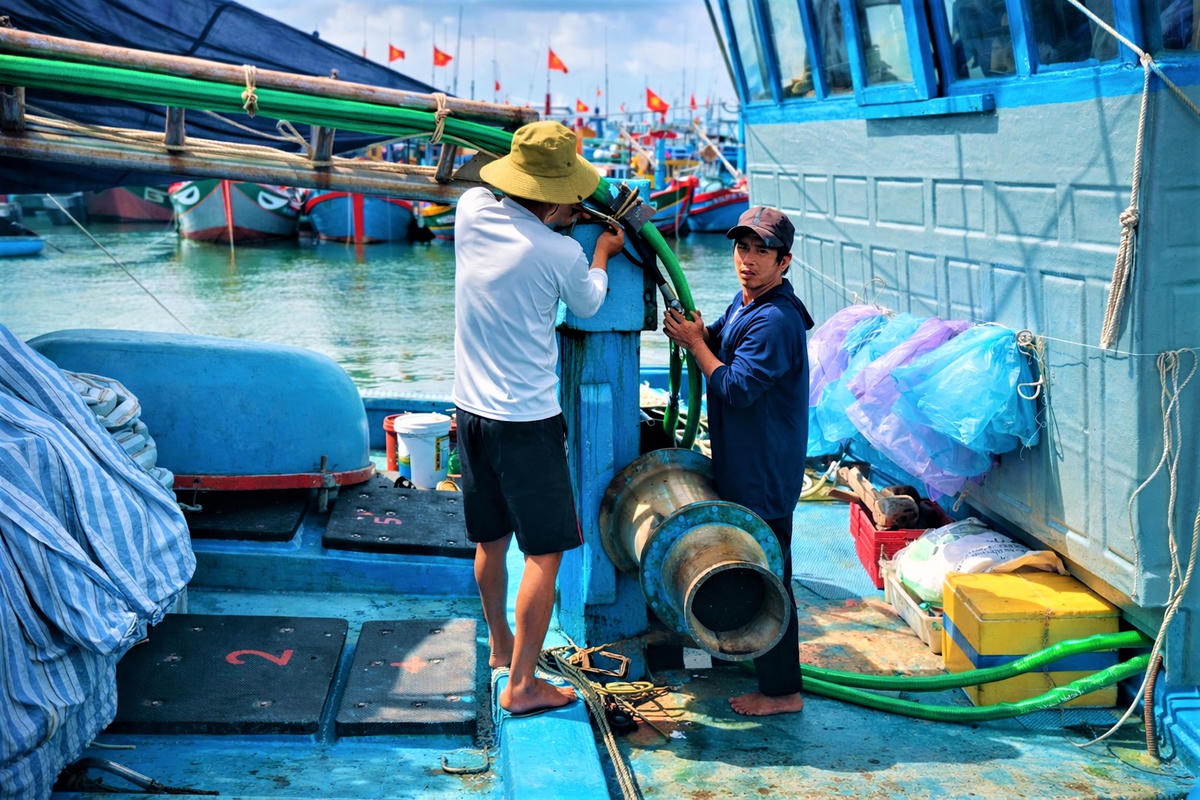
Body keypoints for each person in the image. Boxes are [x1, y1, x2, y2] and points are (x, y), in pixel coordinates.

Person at [453, 120, 625, 716]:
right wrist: (599, 249)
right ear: (558, 197)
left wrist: (555, 218)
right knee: (546, 554)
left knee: (491, 540)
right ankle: (522, 685)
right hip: (525, 422)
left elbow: (492, 191)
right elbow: (589, 301)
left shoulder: (471, 211)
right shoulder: (560, 252)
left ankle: (501, 644)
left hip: (469, 412)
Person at [662, 206, 813, 716]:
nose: (747, 260)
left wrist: (695, 344)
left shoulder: (775, 320)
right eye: (741, 248)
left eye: (761, 252)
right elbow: (719, 339)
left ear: (784, 261)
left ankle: (782, 691)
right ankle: (753, 656)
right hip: (745, 464)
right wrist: (697, 333)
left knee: (771, 575)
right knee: (753, 563)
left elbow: (735, 386)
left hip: (764, 470)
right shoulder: (749, 301)